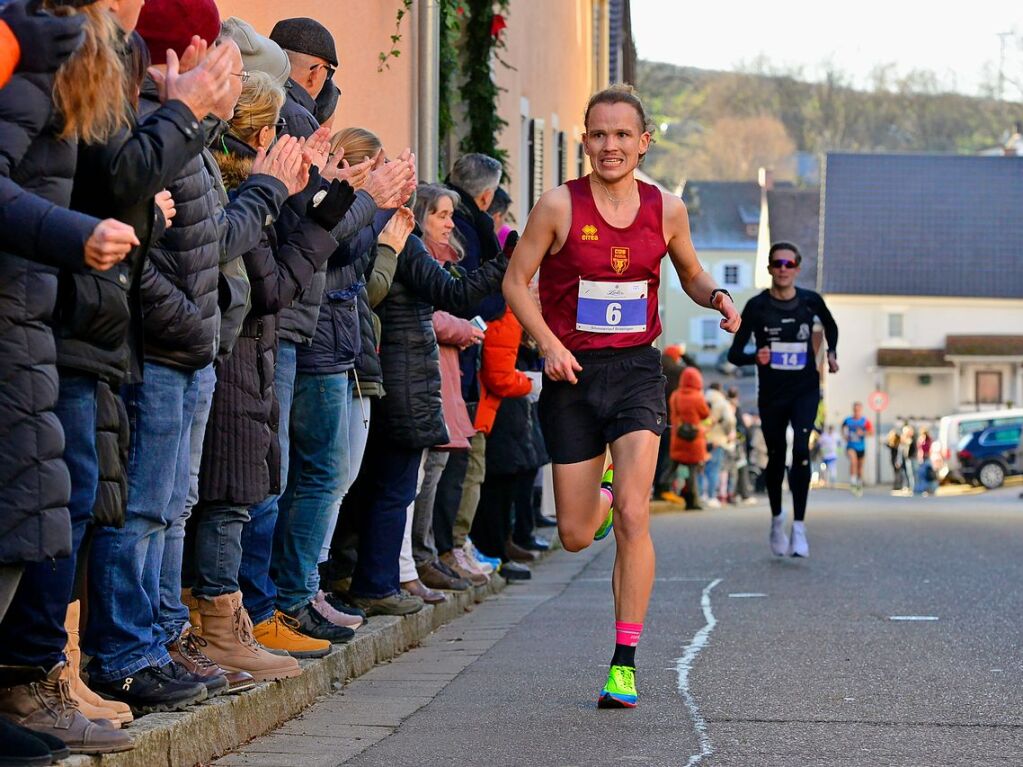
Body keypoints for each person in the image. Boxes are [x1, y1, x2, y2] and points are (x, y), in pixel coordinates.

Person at [502, 84, 739, 709]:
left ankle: (625, 662)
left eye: (622, 135)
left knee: (637, 514)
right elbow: (515, 281)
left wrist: (716, 296)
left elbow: (687, 271)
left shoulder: (667, 208)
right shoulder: (556, 206)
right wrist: (549, 343)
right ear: (585, 140)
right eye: (598, 135)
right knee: (578, 534)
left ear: (644, 142)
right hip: (572, 375)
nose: (610, 146)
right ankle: (600, 499)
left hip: (637, 370)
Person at [727, 241, 838, 558]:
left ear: (797, 269)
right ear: (769, 269)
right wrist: (755, 357)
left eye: (789, 264)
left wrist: (831, 353)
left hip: (804, 389)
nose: (783, 269)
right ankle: (778, 520)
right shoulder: (757, 307)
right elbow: (735, 354)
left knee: (801, 450)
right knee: (776, 456)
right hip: (772, 393)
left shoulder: (810, 302)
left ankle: (799, 527)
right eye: (778, 264)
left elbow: (831, 327)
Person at [669, 367, 711, 510]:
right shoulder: (697, 397)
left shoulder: (675, 395)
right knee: (693, 471)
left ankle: (661, 490)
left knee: (671, 467)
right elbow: (705, 414)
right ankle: (694, 500)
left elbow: (673, 413)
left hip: (678, 436)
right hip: (694, 439)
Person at [842, 402, 872, 496]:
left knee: (860, 467)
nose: (856, 412)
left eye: (858, 410)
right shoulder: (848, 420)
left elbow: (871, 432)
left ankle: (859, 484)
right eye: (855, 410)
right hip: (851, 446)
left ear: (861, 410)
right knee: (853, 462)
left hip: (861, 447)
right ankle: (853, 482)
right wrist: (844, 436)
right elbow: (842, 427)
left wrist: (863, 433)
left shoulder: (865, 421)